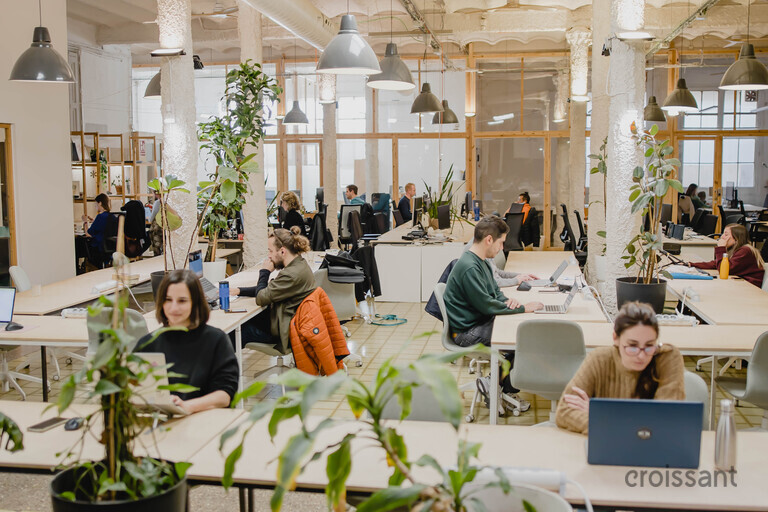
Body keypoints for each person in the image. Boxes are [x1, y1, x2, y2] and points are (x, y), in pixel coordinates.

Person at [444, 216, 543, 410]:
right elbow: (486, 305)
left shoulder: (481, 261)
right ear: (489, 239)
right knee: (524, 338)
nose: (502, 248)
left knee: (524, 333)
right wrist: (523, 308)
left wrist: (508, 301)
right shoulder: (470, 266)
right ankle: (499, 386)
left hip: (479, 321)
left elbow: (495, 292)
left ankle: (494, 384)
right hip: (467, 332)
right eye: (501, 242)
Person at [555, 302, 685, 434]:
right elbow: (564, 412)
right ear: (615, 338)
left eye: (649, 346)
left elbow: (666, 418)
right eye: (632, 346)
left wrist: (600, 414)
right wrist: (632, 422)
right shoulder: (599, 359)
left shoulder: (668, 357)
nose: (641, 356)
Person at [135, 270, 238, 414]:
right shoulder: (148, 343)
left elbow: (225, 395)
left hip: (205, 419)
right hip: (162, 422)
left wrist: (187, 406)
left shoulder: (216, 340)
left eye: (182, 301)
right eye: (168, 300)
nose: (174, 308)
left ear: (195, 303)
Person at [231, 227, 316, 352]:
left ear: (282, 251)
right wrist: (239, 291)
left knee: (232, 332)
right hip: (285, 321)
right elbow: (272, 289)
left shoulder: (291, 274)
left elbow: (261, 298)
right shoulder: (299, 265)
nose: (269, 256)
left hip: (283, 332)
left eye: (270, 251)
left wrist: (264, 272)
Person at [687, 223, 765, 287]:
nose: (722, 237)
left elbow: (724, 270)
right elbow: (715, 264)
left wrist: (721, 248)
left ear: (736, 238)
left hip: (750, 287)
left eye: (726, 235)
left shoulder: (745, 251)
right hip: (740, 283)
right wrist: (691, 264)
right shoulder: (733, 249)